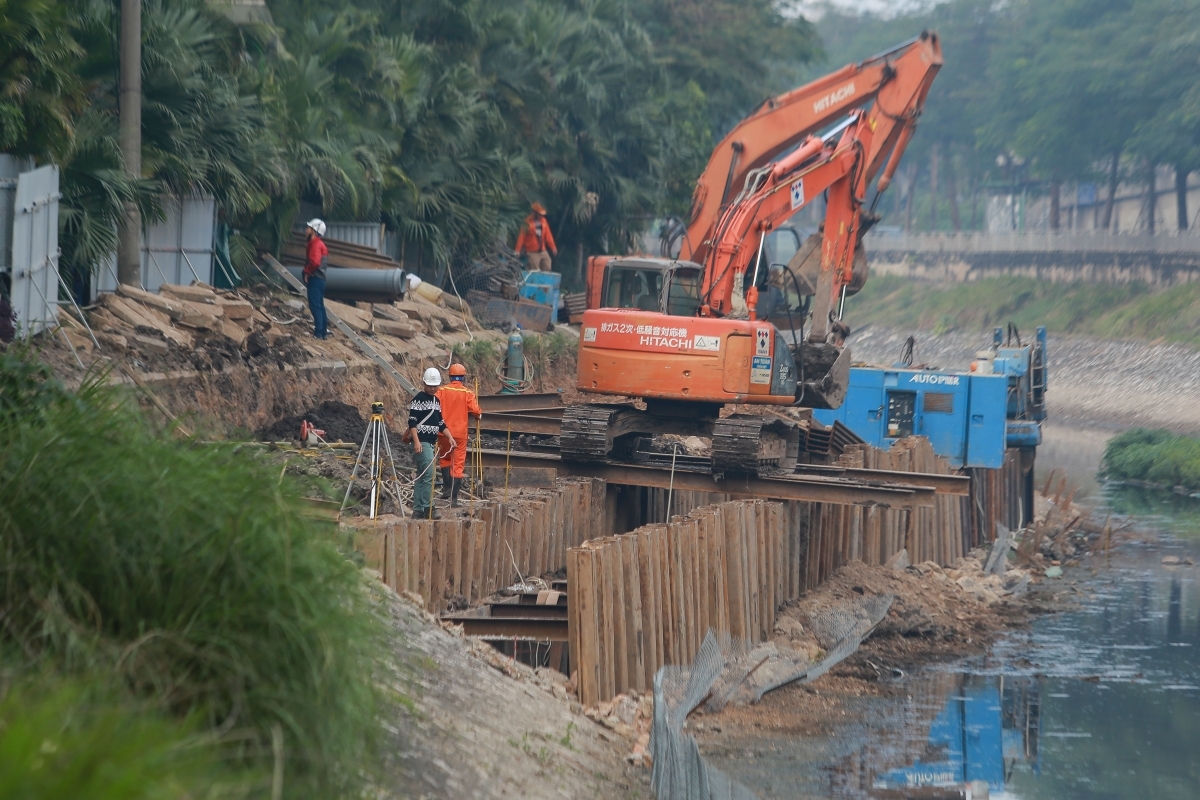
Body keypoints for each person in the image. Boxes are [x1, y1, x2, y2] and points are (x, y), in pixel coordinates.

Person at [407, 367, 455, 519]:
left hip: (431, 442)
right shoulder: (418, 400)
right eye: (430, 385)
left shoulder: (436, 401)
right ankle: (429, 507)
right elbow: (412, 423)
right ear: (424, 384)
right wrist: (416, 441)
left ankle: (418, 510)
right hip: (422, 442)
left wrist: (450, 437)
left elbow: (440, 422)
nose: (433, 388)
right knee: (429, 475)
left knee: (422, 476)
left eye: (435, 386)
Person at [436, 363, 482, 508]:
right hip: (460, 435)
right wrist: (479, 414)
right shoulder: (467, 393)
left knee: (444, 459)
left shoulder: (441, 390)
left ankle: (446, 489)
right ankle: (453, 500)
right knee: (457, 465)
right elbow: (476, 411)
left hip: (443, 432)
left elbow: (433, 404)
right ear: (463, 377)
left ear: (450, 376)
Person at [303, 218, 329, 339]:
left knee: (315, 306)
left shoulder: (315, 245)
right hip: (320, 279)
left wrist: (306, 272)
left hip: (316, 278)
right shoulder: (319, 244)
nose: (306, 230)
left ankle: (319, 333)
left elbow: (314, 262)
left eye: (308, 228)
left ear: (314, 231)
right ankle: (323, 332)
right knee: (320, 305)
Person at [515, 202, 557, 271]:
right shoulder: (526, 222)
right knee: (534, 269)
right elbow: (521, 237)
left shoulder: (544, 221)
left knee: (547, 266)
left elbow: (548, 235)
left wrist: (553, 247)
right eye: (540, 214)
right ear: (535, 213)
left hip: (542, 250)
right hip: (532, 251)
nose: (541, 216)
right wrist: (517, 250)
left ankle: (544, 281)